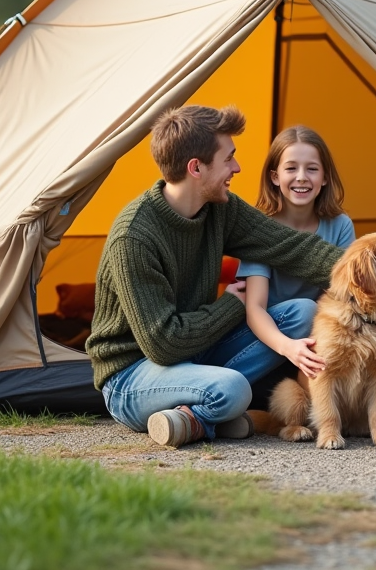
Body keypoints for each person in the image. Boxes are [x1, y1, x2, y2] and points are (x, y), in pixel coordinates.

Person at [86, 105, 344, 448]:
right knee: (233, 388)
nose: (236, 168)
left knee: (302, 313)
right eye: (229, 159)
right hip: (132, 375)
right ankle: (202, 415)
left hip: (194, 354)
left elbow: (296, 248)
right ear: (196, 167)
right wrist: (230, 306)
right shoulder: (134, 237)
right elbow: (163, 344)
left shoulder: (221, 209)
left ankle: (193, 417)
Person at [235, 126, 355, 380]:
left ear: (324, 177)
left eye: (312, 169)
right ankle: (226, 382)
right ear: (274, 177)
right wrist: (287, 347)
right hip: (267, 336)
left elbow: (342, 297)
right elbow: (255, 308)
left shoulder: (340, 225)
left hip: (316, 339)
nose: (301, 177)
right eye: (291, 168)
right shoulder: (261, 228)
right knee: (304, 310)